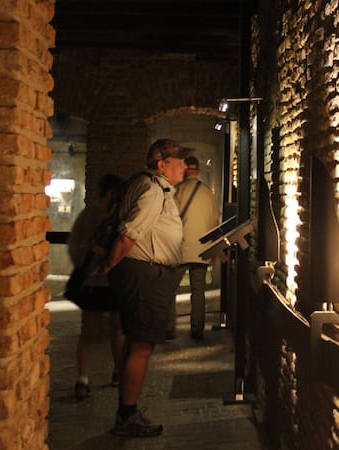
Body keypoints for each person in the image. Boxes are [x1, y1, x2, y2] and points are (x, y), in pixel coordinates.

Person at [99, 139, 192, 437]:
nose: (185, 166)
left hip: (144, 274)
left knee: (137, 342)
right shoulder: (153, 190)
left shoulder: (150, 186)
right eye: (179, 160)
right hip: (144, 276)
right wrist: (110, 264)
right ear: (162, 164)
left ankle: (127, 410)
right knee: (141, 345)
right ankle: (127, 416)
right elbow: (129, 233)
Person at [67, 174, 125, 400]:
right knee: (117, 329)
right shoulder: (120, 216)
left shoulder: (88, 215)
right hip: (113, 280)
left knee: (89, 332)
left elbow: (74, 245)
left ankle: (83, 378)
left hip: (92, 281)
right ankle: (118, 373)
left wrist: (83, 264)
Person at [166, 155, 220, 341]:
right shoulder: (208, 193)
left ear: (186, 169)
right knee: (198, 292)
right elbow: (215, 223)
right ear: (198, 170)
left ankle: (168, 329)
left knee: (170, 290)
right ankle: (197, 330)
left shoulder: (177, 191)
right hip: (202, 250)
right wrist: (213, 249)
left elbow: (170, 219)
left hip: (180, 249)